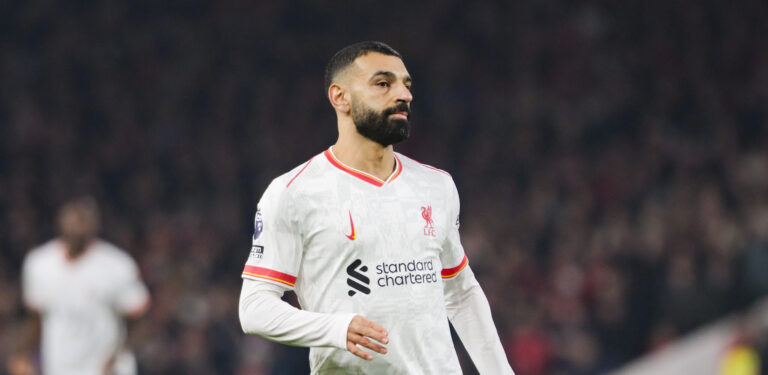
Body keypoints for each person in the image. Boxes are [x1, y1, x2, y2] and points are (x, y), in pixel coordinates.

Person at [238, 41, 514, 374]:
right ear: (340, 97)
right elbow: (254, 308)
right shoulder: (293, 193)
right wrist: (335, 328)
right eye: (383, 84)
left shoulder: (437, 185)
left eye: (406, 85)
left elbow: (460, 292)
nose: (404, 95)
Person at [14, 198, 150, 375]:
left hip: (104, 369)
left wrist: (119, 354)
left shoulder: (116, 265)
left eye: (83, 218)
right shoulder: (39, 263)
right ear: (60, 220)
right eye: (73, 217)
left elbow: (140, 317)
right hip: (60, 367)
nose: (77, 224)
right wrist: (24, 354)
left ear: (95, 224)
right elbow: (36, 317)